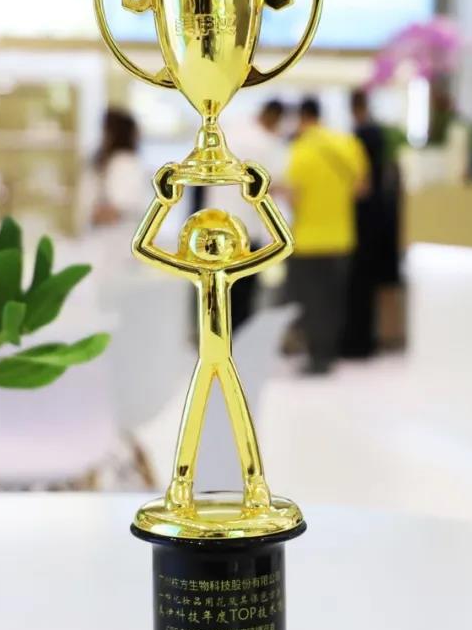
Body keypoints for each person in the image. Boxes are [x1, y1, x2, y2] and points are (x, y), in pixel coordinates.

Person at [132, 160, 292, 511]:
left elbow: (283, 244)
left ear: (237, 241)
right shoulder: (196, 271)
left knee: (238, 416)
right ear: (190, 242)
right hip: (206, 357)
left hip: (222, 357)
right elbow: (141, 246)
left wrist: (260, 198)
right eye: (206, 239)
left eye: (222, 238)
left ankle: (254, 485)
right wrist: (163, 201)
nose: (214, 245)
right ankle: (183, 486)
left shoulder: (231, 271)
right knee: (196, 418)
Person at [285, 96, 369, 375]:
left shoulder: (300, 149)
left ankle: (316, 357)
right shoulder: (348, 144)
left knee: (311, 302)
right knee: (333, 300)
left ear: (302, 118)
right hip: (341, 236)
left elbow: (294, 197)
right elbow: (361, 189)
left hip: (307, 240)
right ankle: (328, 354)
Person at [202, 98, 290, 329]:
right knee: (242, 296)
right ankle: (239, 340)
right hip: (246, 231)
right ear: (275, 118)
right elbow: (275, 185)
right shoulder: (265, 143)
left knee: (217, 295)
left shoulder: (231, 132)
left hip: (215, 225)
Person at [341, 87, 402, 358]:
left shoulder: (359, 137)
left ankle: (357, 343)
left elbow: (360, 182)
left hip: (362, 217)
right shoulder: (379, 135)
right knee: (368, 283)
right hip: (378, 216)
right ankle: (367, 341)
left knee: (358, 282)